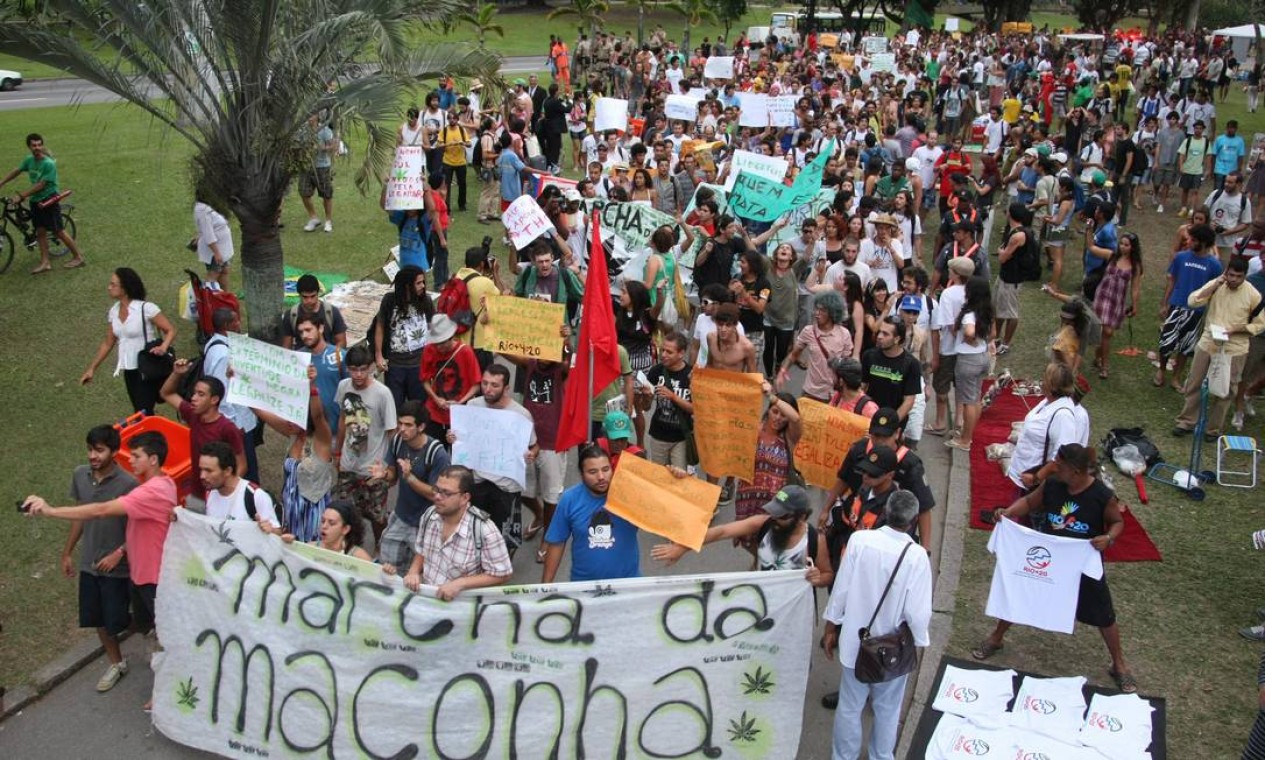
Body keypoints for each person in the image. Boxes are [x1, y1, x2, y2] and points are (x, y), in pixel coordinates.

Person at [24, 430, 178, 710]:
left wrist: (50, 511)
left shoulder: (150, 491)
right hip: (141, 576)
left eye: (137, 456)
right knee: (150, 631)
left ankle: (169, 690)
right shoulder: (159, 485)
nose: (130, 460)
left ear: (153, 459)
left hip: (155, 580)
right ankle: (165, 682)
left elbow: (100, 510)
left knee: (165, 637)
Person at [973, 443, 1137, 694]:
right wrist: (1008, 513)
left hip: (1081, 562)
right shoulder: (1053, 485)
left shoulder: (1101, 495)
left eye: (1059, 466)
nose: (1054, 469)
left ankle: (1119, 665)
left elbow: (1117, 522)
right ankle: (996, 638)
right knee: (1022, 590)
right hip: (1051, 558)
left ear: (1076, 471)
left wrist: (1109, 538)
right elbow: (1029, 502)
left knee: (1104, 614)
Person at [822, 488, 932, 759]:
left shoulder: (860, 541)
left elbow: (841, 589)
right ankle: (881, 756)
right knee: (887, 709)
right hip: (892, 648)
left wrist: (831, 625)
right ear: (913, 520)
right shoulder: (917, 556)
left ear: (884, 513)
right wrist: (919, 641)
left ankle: (843, 756)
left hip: (855, 642)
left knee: (850, 705)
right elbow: (918, 613)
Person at [59, 425, 138, 693]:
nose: (93, 455)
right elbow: (80, 515)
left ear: (114, 452)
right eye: (90, 449)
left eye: (100, 450)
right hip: (90, 563)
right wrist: (68, 552)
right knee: (99, 619)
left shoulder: (129, 484)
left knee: (124, 618)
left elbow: (140, 528)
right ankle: (116, 663)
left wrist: (120, 553)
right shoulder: (80, 475)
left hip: (120, 567)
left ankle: (158, 649)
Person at [651, 485, 833, 587]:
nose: (776, 519)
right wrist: (682, 548)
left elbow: (827, 575)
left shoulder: (815, 540)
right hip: (759, 602)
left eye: (783, 516)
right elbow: (721, 532)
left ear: (801, 516)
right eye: (775, 512)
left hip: (791, 612)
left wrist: (818, 578)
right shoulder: (763, 523)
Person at [1173, 258, 1265, 440]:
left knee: (1226, 390)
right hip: (1208, 342)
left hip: (1234, 348)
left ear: (1244, 276)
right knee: (1194, 383)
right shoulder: (1217, 284)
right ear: (1226, 272)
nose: (1233, 279)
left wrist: (1237, 329)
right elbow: (1193, 301)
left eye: (1238, 277)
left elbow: (1259, 325)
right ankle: (1186, 422)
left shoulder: (1253, 295)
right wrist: (1215, 284)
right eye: (1230, 275)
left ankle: (1213, 429)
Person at [451, 364, 539, 555]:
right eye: (484, 383)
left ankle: (500, 574)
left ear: (506, 388)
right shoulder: (473, 406)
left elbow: (534, 445)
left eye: (494, 385)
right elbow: (463, 438)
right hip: (478, 482)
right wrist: (453, 438)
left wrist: (531, 454)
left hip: (506, 487)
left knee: (505, 540)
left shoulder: (521, 415)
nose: (488, 389)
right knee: (474, 534)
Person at [400, 465, 514, 600]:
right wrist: (413, 571)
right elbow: (423, 550)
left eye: (446, 493)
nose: (436, 496)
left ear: (465, 498)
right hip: (428, 601)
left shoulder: (485, 531)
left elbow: (503, 573)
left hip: (461, 610)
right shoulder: (430, 515)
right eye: (436, 489)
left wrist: (460, 584)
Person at [80, 267, 177, 416]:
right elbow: (108, 342)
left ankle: (150, 435)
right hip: (130, 369)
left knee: (142, 411)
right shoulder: (114, 311)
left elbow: (170, 330)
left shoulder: (146, 308)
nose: (109, 288)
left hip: (148, 365)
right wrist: (92, 368)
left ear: (125, 288)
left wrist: (164, 346)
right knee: (140, 409)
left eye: (113, 284)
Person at [369, 400, 450, 574]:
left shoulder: (437, 454)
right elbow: (392, 476)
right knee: (387, 568)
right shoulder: (398, 441)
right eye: (400, 423)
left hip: (426, 525)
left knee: (423, 575)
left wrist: (410, 478)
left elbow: (436, 494)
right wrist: (384, 474)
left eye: (408, 425)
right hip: (400, 517)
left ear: (421, 427)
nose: (402, 429)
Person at [541, 445, 638, 583]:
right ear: (581, 474)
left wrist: (674, 477)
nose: (601, 477)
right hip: (584, 587)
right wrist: (545, 587)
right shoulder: (570, 499)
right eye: (592, 472)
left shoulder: (630, 495)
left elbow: (667, 510)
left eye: (606, 469)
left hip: (628, 586)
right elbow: (557, 542)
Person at [333, 344, 398, 544]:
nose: (358, 374)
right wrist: (337, 454)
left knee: (377, 516)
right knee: (345, 514)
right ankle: (350, 550)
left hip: (373, 467)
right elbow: (343, 419)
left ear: (370, 367)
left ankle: (380, 549)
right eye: (353, 369)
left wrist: (390, 466)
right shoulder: (344, 386)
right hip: (348, 463)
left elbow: (391, 431)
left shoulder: (382, 393)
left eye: (363, 369)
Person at [158, 366, 244, 505]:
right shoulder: (193, 415)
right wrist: (176, 373)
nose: (193, 398)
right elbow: (166, 393)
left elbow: (241, 464)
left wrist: (226, 492)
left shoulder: (227, 428)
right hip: (196, 494)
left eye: (200, 394)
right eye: (194, 393)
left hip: (218, 497)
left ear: (214, 400)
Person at [0, 132, 84, 273]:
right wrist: (2, 182)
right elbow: (18, 170)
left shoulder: (48, 164)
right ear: (29, 147)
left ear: (42, 145)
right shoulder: (29, 160)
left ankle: (78, 257)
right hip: (36, 201)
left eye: (39, 145)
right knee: (40, 232)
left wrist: (22, 195)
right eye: (34, 145)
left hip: (49, 199)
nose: (37, 148)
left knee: (59, 231)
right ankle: (45, 263)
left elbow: (42, 184)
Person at [1157, 224, 1222, 390]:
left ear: (1203, 242)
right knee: (1166, 342)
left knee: (1187, 346)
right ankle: (1161, 371)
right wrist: (1165, 303)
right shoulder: (1180, 257)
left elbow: (1215, 290)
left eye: (1193, 240)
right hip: (1177, 305)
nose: (1189, 241)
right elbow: (1172, 281)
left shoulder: (1214, 265)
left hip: (1197, 311)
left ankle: (1176, 377)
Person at [200, 307, 261, 482]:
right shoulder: (224, 355)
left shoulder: (213, 345)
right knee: (246, 466)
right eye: (236, 320)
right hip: (237, 422)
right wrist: (234, 423)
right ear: (227, 325)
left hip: (235, 421)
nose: (239, 323)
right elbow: (222, 394)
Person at [734, 385, 802, 536]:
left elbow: (796, 418)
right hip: (748, 495)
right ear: (768, 410)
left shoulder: (788, 438)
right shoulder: (753, 429)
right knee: (746, 537)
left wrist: (772, 397)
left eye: (783, 415)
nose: (778, 418)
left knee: (772, 538)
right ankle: (758, 558)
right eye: (775, 412)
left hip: (775, 501)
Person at [1006, 362, 1080, 497]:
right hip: (1025, 474)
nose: (1041, 382)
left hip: (1036, 485)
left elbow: (1063, 457)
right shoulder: (1048, 401)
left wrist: (1036, 477)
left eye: (1044, 378)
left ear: (1052, 385)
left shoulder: (1063, 416)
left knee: (1026, 516)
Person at [374, 265, 435, 411]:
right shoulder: (389, 301)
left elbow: (433, 328)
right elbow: (380, 327)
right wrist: (379, 355)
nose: (423, 286)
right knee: (395, 408)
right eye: (418, 283)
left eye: (423, 282)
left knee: (419, 409)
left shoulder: (426, 301)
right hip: (395, 366)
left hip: (419, 366)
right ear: (407, 285)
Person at [779, 291, 855, 402]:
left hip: (833, 395)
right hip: (810, 393)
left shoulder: (844, 334)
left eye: (823, 310)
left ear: (832, 313)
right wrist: (782, 371)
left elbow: (847, 365)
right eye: (816, 309)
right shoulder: (808, 331)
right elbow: (793, 355)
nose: (817, 313)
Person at [947, 276, 993, 452]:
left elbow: (969, 331)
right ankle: (968, 434)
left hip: (968, 360)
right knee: (975, 399)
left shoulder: (969, 315)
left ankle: (965, 440)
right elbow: (993, 332)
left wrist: (970, 338)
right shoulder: (988, 312)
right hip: (982, 357)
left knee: (968, 401)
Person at [420, 313, 482, 442]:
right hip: (434, 412)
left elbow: (476, 384)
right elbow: (425, 380)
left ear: (451, 337)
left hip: (459, 414)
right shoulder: (429, 350)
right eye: (436, 343)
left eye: (442, 343)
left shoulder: (465, 352)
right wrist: (436, 399)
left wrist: (460, 403)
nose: (439, 347)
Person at [198, 441, 280, 530]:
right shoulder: (209, 493)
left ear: (228, 471)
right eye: (201, 470)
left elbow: (277, 535)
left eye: (209, 471)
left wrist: (270, 530)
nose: (202, 476)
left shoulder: (256, 496)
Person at [645, 331, 694, 469]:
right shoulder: (656, 371)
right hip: (658, 435)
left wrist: (673, 397)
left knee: (678, 479)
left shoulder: (691, 376)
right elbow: (646, 407)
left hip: (681, 437)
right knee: (658, 478)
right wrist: (647, 397)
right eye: (663, 350)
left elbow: (695, 409)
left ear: (681, 353)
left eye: (669, 352)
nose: (664, 355)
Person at [295, 311, 345, 439]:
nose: (304, 335)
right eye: (301, 332)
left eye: (308, 330)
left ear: (321, 328)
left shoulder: (340, 356)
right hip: (311, 434)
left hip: (339, 432)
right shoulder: (297, 359)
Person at [862, 317, 922, 423]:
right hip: (868, 417)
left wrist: (891, 423)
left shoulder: (912, 364)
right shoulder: (869, 356)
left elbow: (909, 400)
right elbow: (862, 387)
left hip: (894, 419)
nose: (879, 336)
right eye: (879, 332)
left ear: (897, 339)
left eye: (885, 334)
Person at [993, 202, 1035, 355]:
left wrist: (1000, 251)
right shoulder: (1014, 230)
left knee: (1011, 312)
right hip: (1005, 276)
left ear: (1010, 214)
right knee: (998, 307)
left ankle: (1005, 343)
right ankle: (995, 337)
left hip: (1012, 278)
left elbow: (1003, 258)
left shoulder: (1018, 235)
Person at [283, 500, 373, 562]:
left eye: (332, 523)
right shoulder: (310, 548)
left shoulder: (360, 557)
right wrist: (288, 546)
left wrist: (386, 571)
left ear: (345, 529)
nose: (324, 526)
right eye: (322, 521)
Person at [281, 273, 348, 349]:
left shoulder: (331, 312)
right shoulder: (291, 315)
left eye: (313, 296)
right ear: (299, 295)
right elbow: (286, 346)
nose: (310, 301)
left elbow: (341, 342)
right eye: (305, 297)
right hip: (302, 358)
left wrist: (332, 358)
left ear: (318, 293)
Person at [298, 113, 336, 232]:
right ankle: (313, 217)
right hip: (306, 166)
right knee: (304, 192)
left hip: (322, 166)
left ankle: (328, 221)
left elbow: (333, 147)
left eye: (312, 115)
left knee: (326, 194)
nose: (309, 117)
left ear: (317, 117)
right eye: (307, 114)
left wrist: (321, 148)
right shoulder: (302, 130)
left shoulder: (325, 130)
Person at [191, 188, 234, 288]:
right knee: (214, 274)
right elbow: (208, 234)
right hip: (215, 250)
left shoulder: (209, 205)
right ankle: (208, 299)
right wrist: (217, 253)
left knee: (224, 271)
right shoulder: (202, 210)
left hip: (222, 248)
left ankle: (224, 297)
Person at [706, 302, 757, 372]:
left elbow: (752, 375)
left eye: (728, 325)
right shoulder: (711, 338)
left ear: (735, 325)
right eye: (720, 325)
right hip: (714, 381)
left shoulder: (747, 347)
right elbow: (709, 365)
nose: (723, 329)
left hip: (735, 382)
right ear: (716, 323)